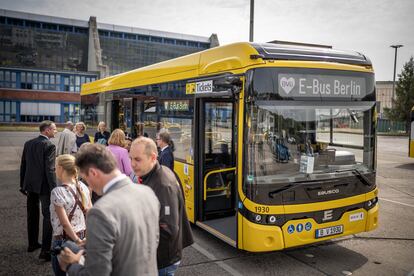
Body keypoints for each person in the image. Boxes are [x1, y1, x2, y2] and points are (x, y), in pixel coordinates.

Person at [58, 143, 160, 275]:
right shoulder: (148, 193)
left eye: (86, 179)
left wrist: (70, 265)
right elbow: (149, 240)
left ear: (93, 173)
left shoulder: (100, 212)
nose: (88, 186)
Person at [130, 137, 194, 275]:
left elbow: (167, 229)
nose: (132, 164)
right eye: (131, 159)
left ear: (153, 157)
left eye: (137, 159)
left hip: (161, 260)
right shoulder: (156, 173)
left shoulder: (162, 185)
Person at [20, 120, 57, 261]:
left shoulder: (28, 143)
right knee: (48, 216)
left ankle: (32, 244)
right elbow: (50, 169)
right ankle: (45, 251)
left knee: (32, 214)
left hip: (29, 185)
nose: (56, 131)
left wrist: (22, 184)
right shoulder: (49, 145)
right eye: (54, 129)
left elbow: (23, 165)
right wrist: (55, 188)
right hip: (43, 186)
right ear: (46, 130)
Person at [50, 154, 91, 276]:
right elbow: (91, 213)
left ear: (61, 168)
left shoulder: (57, 192)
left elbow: (64, 223)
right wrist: (85, 239)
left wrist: (77, 240)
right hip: (83, 237)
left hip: (64, 240)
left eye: (56, 167)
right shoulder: (83, 187)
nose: (54, 169)